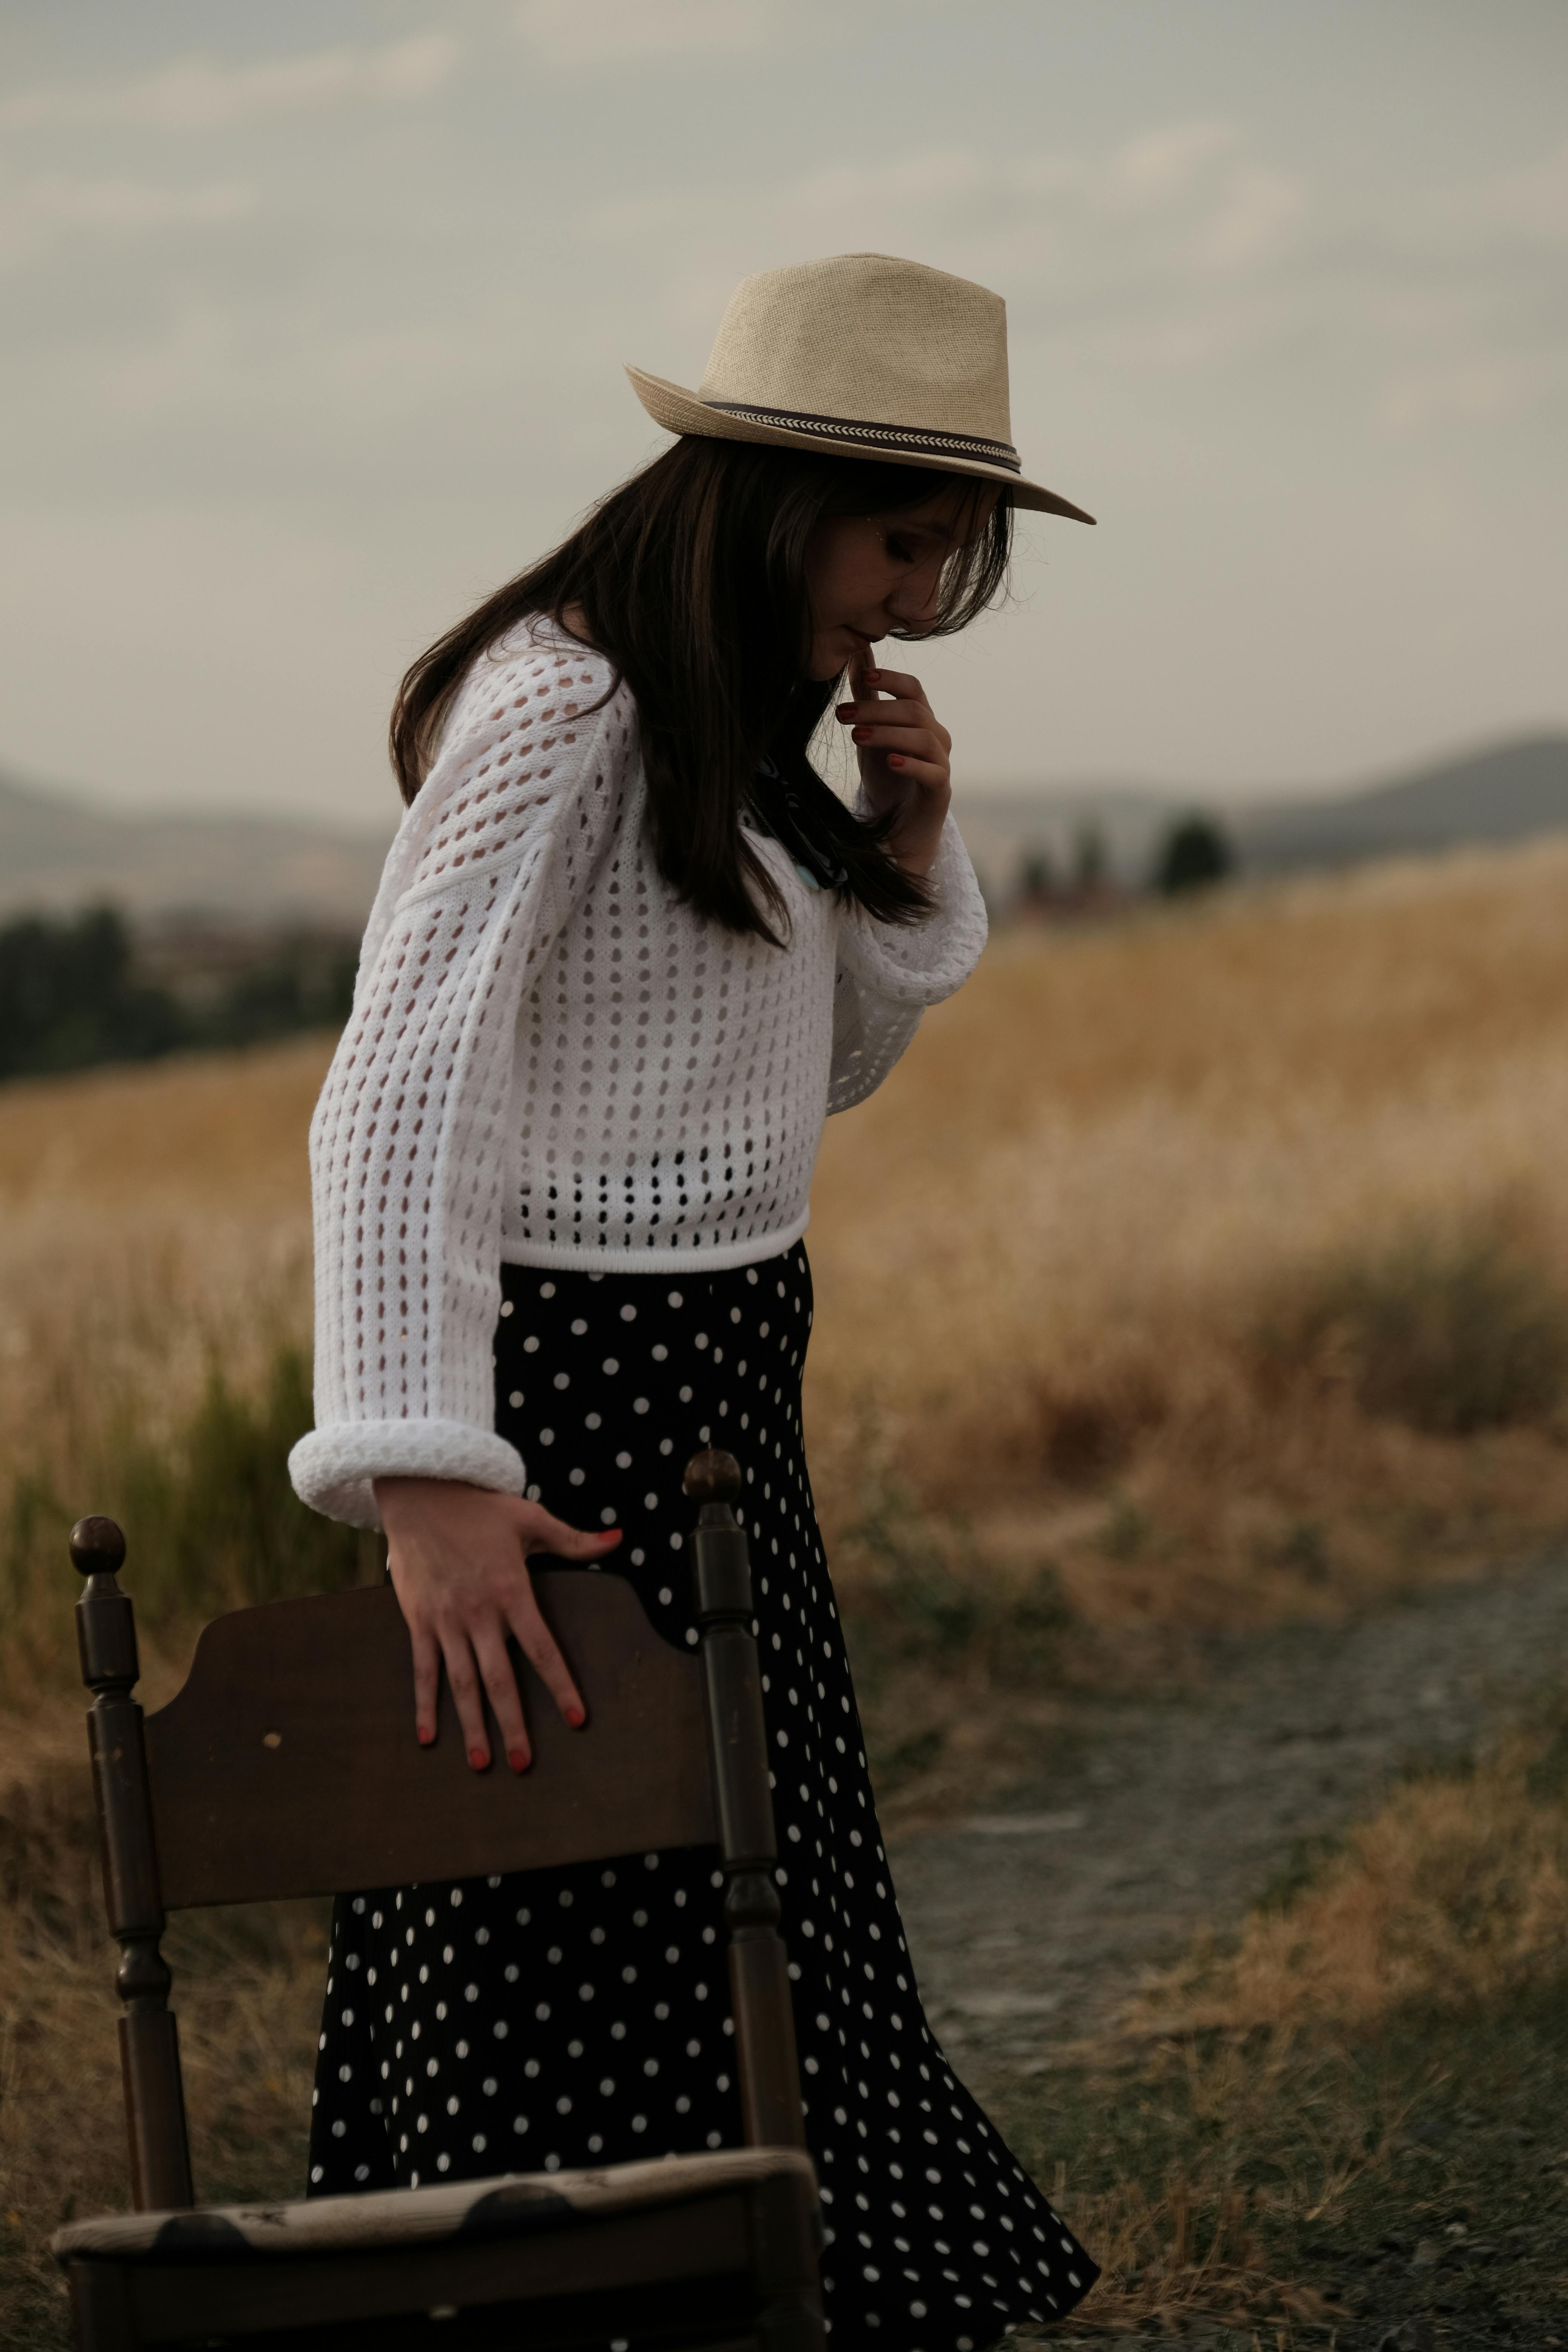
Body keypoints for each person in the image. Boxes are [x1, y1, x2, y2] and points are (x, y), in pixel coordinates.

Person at [290, 251, 1099, 2347]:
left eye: (951, 554)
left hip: (732, 1386)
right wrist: (423, 1472)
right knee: (563, 1913)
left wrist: (901, 850)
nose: (919, 598)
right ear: (772, 492)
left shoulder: (729, 734)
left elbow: (789, 1080)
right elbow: (402, 1080)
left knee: (758, 1894)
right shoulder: (570, 701)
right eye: (905, 537)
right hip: (565, 1412)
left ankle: (775, 2295)